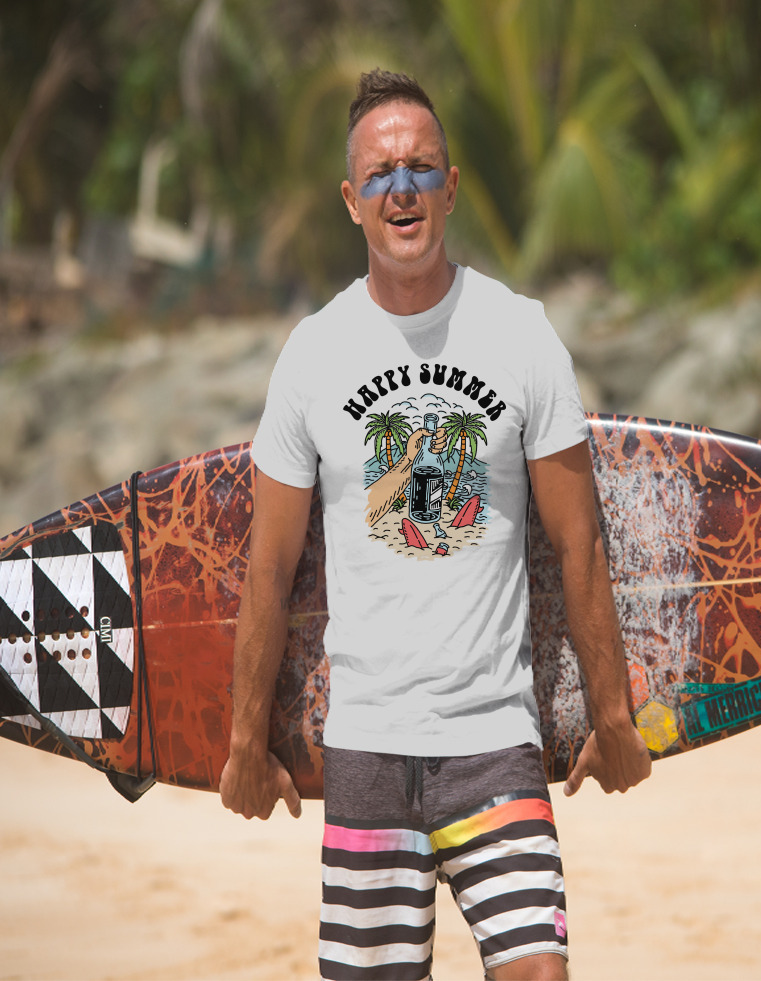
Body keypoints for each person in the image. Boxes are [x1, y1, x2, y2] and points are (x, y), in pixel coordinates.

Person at [220, 68, 651, 981]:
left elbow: (579, 542)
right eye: (380, 174)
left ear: (451, 187)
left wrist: (612, 714)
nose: (402, 188)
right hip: (368, 746)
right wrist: (242, 740)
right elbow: (269, 568)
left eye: (421, 168)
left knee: (540, 971)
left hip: (495, 740)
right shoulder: (313, 355)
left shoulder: (522, 335)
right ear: (351, 200)